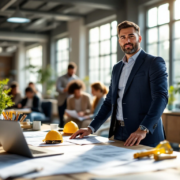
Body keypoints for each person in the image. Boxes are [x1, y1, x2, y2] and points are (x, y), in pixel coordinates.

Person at [70, 21, 168, 147]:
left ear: (139, 38)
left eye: (131, 36)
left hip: (144, 135)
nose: (127, 40)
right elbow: (109, 101)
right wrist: (91, 128)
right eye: (123, 37)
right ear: (119, 41)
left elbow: (161, 98)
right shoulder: (117, 68)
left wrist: (143, 129)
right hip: (119, 133)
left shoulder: (153, 62)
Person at [56, 62, 78, 128]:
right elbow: (58, 88)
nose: (72, 73)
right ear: (68, 70)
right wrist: (66, 89)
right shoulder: (61, 78)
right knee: (61, 118)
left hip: (72, 101)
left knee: (70, 118)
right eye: (71, 71)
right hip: (62, 100)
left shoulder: (76, 79)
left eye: (73, 72)